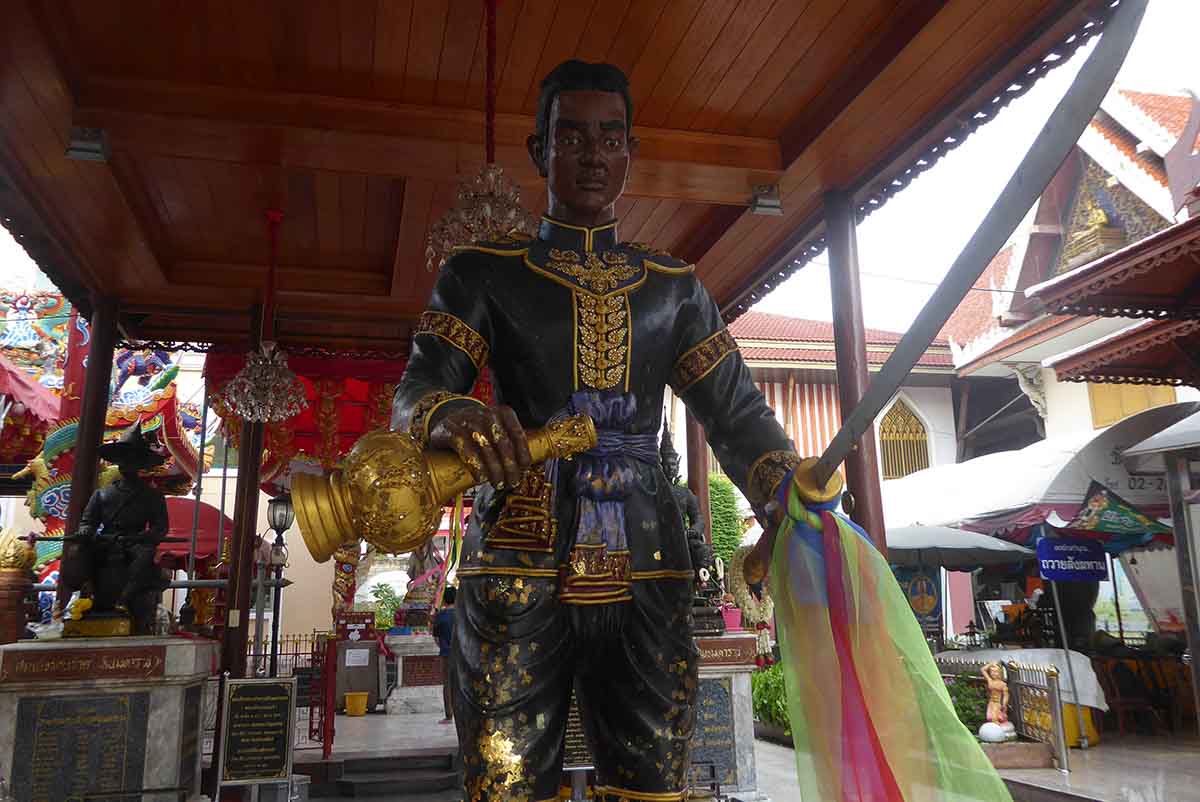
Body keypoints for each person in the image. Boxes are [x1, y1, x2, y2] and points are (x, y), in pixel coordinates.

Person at [392, 60, 802, 802]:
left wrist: (787, 490)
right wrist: (453, 415)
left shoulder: (674, 288)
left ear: (630, 151)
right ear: (538, 150)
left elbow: (736, 411)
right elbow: (416, 392)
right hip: (518, 559)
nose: (592, 155)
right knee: (506, 785)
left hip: (650, 560)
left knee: (652, 786)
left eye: (610, 137)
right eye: (571, 136)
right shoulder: (483, 273)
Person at [432, 586, 457, 724]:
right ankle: (463, 714)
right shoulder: (462, 614)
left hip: (446, 653)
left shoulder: (441, 615)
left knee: (447, 684)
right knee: (461, 683)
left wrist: (443, 646)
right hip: (461, 655)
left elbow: (436, 637)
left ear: (444, 600)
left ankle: (449, 716)